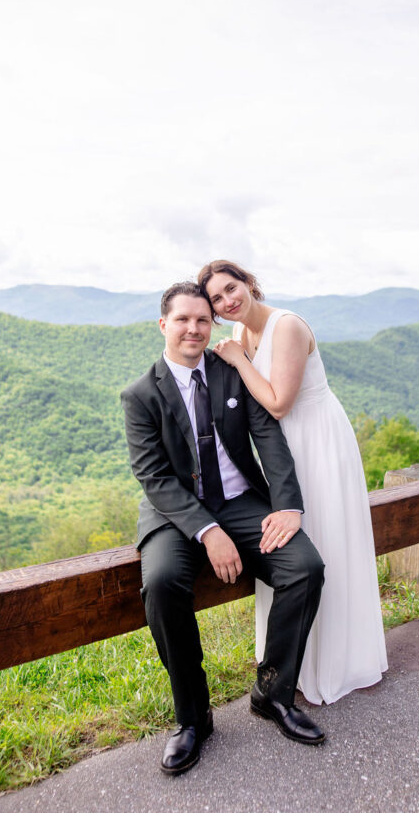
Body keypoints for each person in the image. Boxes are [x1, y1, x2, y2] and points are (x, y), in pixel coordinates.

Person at [120, 281, 326, 776]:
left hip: (240, 502)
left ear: (212, 325)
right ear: (163, 325)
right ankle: (193, 718)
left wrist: (289, 506)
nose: (194, 328)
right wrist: (208, 531)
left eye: (202, 319)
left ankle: (272, 693)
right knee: (162, 583)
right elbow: (153, 477)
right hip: (177, 515)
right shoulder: (140, 395)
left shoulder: (232, 373)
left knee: (304, 567)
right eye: (183, 319)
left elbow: (269, 440)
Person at [198, 260, 387, 706]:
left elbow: (280, 403)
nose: (228, 301)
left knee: (329, 543)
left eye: (232, 288)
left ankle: (339, 660)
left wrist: (239, 361)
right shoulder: (242, 334)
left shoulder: (287, 326)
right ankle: (290, 662)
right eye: (218, 299)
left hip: (318, 443)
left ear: (249, 283)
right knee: (291, 549)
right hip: (281, 454)